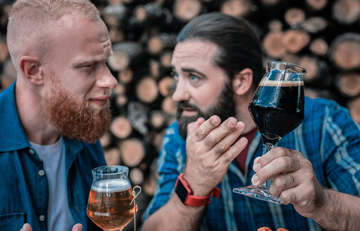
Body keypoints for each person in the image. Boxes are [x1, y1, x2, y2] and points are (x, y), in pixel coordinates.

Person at [141, 12, 360, 231]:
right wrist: (194, 185)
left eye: (194, 77)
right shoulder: (180, 138)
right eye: (176, 75)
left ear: (241, 81)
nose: (177, 94)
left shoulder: (324, 121)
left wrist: (321, 203)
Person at [0, 0, 118, 230]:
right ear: (33, 70)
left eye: (105, 61)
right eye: (87, 66)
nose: (110, 80)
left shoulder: (82, 130)